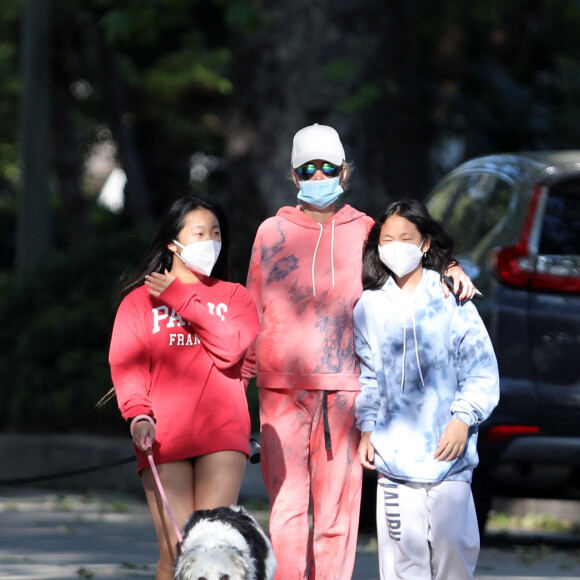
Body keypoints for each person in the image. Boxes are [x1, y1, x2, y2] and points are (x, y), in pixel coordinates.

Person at [243, 124, 475, 580]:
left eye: (327, 167)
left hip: (347, 390)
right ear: (294, 177)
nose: (318, 175)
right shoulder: (270, 231)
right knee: (287, 509)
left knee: (337, 514)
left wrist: (451, 266)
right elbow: (251, 306)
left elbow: (410, 252)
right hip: (281, 390)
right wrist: (239, 380)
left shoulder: (368, 228)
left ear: (344, 171)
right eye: (307, 169)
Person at [108, 196, 260, 580]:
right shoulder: (137, 302)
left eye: (216, 233)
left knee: (211, 554)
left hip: (223, 432)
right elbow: (128, 367)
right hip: (163, 435)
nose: (210, 240)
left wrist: (180, 298)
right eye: (199, 233)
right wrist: (138, 413)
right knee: (176, 554)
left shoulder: (235, 296)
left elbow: (233, 353)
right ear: (172, 243)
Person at [354, 199, 500, 580]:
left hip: (449, 456)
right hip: (394, 460)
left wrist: (462, 419)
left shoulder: (452, 296)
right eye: (387, 239)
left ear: (424, 243)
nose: (396, 246)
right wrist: (367, 426)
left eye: (406, 237)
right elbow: (369, 375)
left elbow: (481, 369)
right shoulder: (368, 305)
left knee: (455, 549)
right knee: (403, 564)